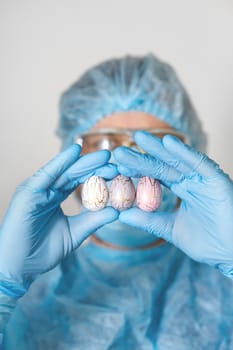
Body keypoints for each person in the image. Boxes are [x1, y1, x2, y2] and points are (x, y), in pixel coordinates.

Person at [0, 54, 233, 349]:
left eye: (155, 143)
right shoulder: (24, 295)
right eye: (106, 144)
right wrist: (4, 286)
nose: (129, 167)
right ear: (74, 158)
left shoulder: (225, 280)